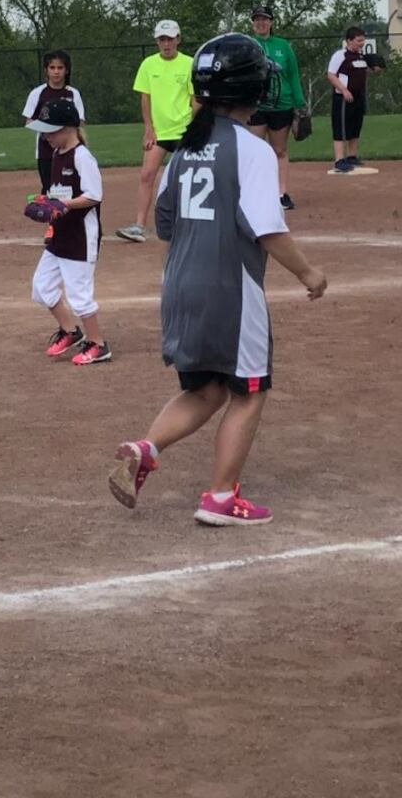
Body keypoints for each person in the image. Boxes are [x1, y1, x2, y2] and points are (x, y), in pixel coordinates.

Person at [108, 34, 327, 526]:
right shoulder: (252, 151)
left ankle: (146, 447)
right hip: (232, 289)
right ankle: (221, 498)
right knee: (250, 390)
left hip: (179, 285)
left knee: (206, 389)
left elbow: (164, 223)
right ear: (254, 88)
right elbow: (267, 229)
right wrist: (309, 273)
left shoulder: (183, 150)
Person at [25, 97, 110, 366]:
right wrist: (46, 202)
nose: (45, 136)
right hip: (60, 234)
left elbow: (94, 196)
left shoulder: (82, 156)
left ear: (67, 129)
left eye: (49, 130)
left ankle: (98, 344)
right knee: (42, 287)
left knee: (79, 295)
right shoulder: (57, 155)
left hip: (80, 237)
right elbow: (55, 194)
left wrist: (63, 204)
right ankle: (71, 331)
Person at [117, 20, 194, 242]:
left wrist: (194, 128)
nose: (166, 43)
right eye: (162, 39)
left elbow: (194, 99)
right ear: (157, 41)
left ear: (178, 39)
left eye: (170, 39)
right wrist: (148, 130)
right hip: (159, 134)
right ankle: (139, 225)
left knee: (184, 178)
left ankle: (188, 224)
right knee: (146, 175)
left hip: (183, 131)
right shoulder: (148, 65)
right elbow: (145, 98)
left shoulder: (189, 64)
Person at [245, 4, 305, 208]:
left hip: (282, 104)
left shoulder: (283, 45)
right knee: (253, 151)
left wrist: (300, 103)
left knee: (279, 150)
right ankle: (252, 192)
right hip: (257, 106)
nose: (260, 23)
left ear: (271, 22)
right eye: (257, 19)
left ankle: (281, 194)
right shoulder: (248, 45)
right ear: (252, 24)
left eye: (264, 19)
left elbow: (293, 75)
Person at [21, 50, 85, 193]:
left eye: (60, 68)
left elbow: (80, 121)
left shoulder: (73, 93)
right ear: (46, 70)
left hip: (69, 149)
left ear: (67, 70)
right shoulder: (38, 93)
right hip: (46, 151)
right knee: (49, 189)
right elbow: (28, 120)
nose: (56, 72)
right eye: (52, 68)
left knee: (69, 187)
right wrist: (48, 130)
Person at [327, 25, 372, 172]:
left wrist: (376, 69)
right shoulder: (340, 55)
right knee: (341, 127)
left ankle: (352, 156)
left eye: (362, 40)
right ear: (349, 41)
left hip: (358, 97)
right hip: (343, 98)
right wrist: (344, 90)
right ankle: (339, 159)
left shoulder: (360, 56)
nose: (361, 43)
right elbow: (331, 75)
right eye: (358, 40)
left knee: (355, 125)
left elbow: (362, 73)